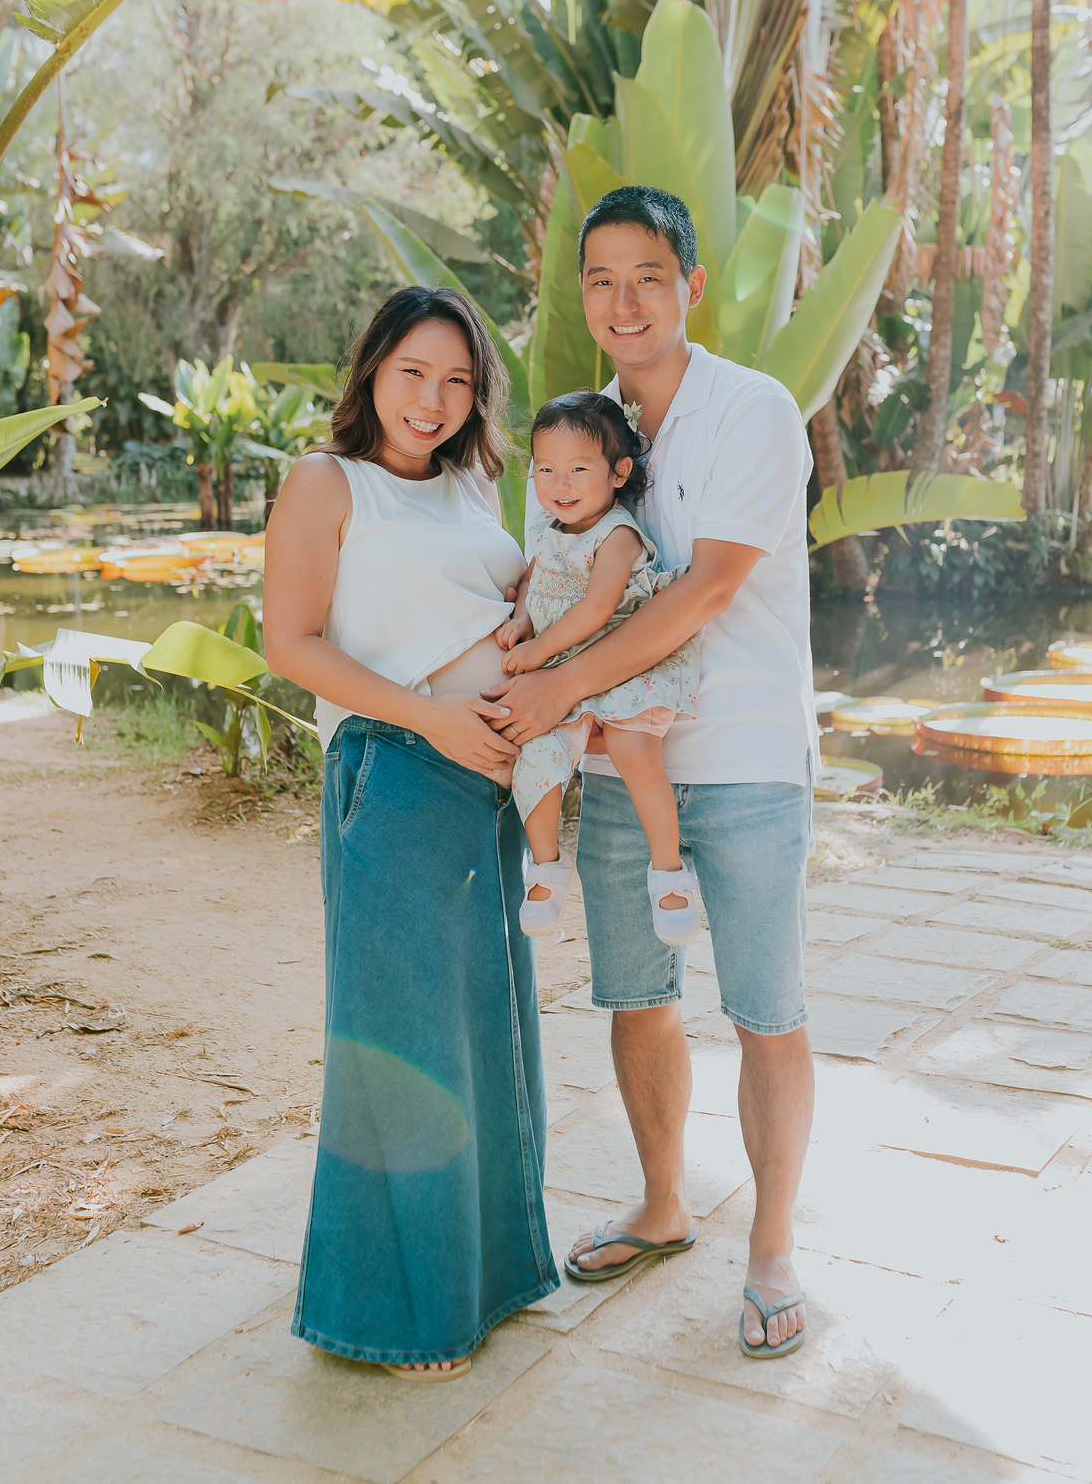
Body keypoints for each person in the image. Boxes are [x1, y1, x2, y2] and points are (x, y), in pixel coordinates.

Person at [486, 185, 819, 1358]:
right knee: (638, 994)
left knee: (766, 1010)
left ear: (692, 286)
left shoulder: (752, 410)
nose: (623, 302)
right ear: (582, 296)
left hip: (745, 758)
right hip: (623, 764)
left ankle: (772, 1247)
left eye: (648, 277)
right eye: (601, 280)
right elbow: (555, 578)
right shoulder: (584, 431)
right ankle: (663, 1203)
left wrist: (557, 687)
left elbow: (708, 587)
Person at [263, 285, 559, 1381]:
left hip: (488, 789)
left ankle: (490, 1277)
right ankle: (396, 1316)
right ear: (372, 370)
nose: (433, 400)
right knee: (397, 1047)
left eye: (458, 381)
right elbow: (291, 643)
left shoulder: (475, 482)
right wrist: (433, 715)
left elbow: (493, 605)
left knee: (486, 1032)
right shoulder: (325, 481)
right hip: (395, 771)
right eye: (413, 373)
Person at [497, 390, 701, 942]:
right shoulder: (548, 529)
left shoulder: (617, 535)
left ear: (619, 472)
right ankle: (546, 866)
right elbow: (535, 578)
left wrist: (538, 651)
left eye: (578, 469)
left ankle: (669, 873)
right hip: (563, 667)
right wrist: (523, 619)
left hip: (621, 662)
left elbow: (597, 607)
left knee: (635, 751)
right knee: (536, 755)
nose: (559, 484)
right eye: (545, 469)